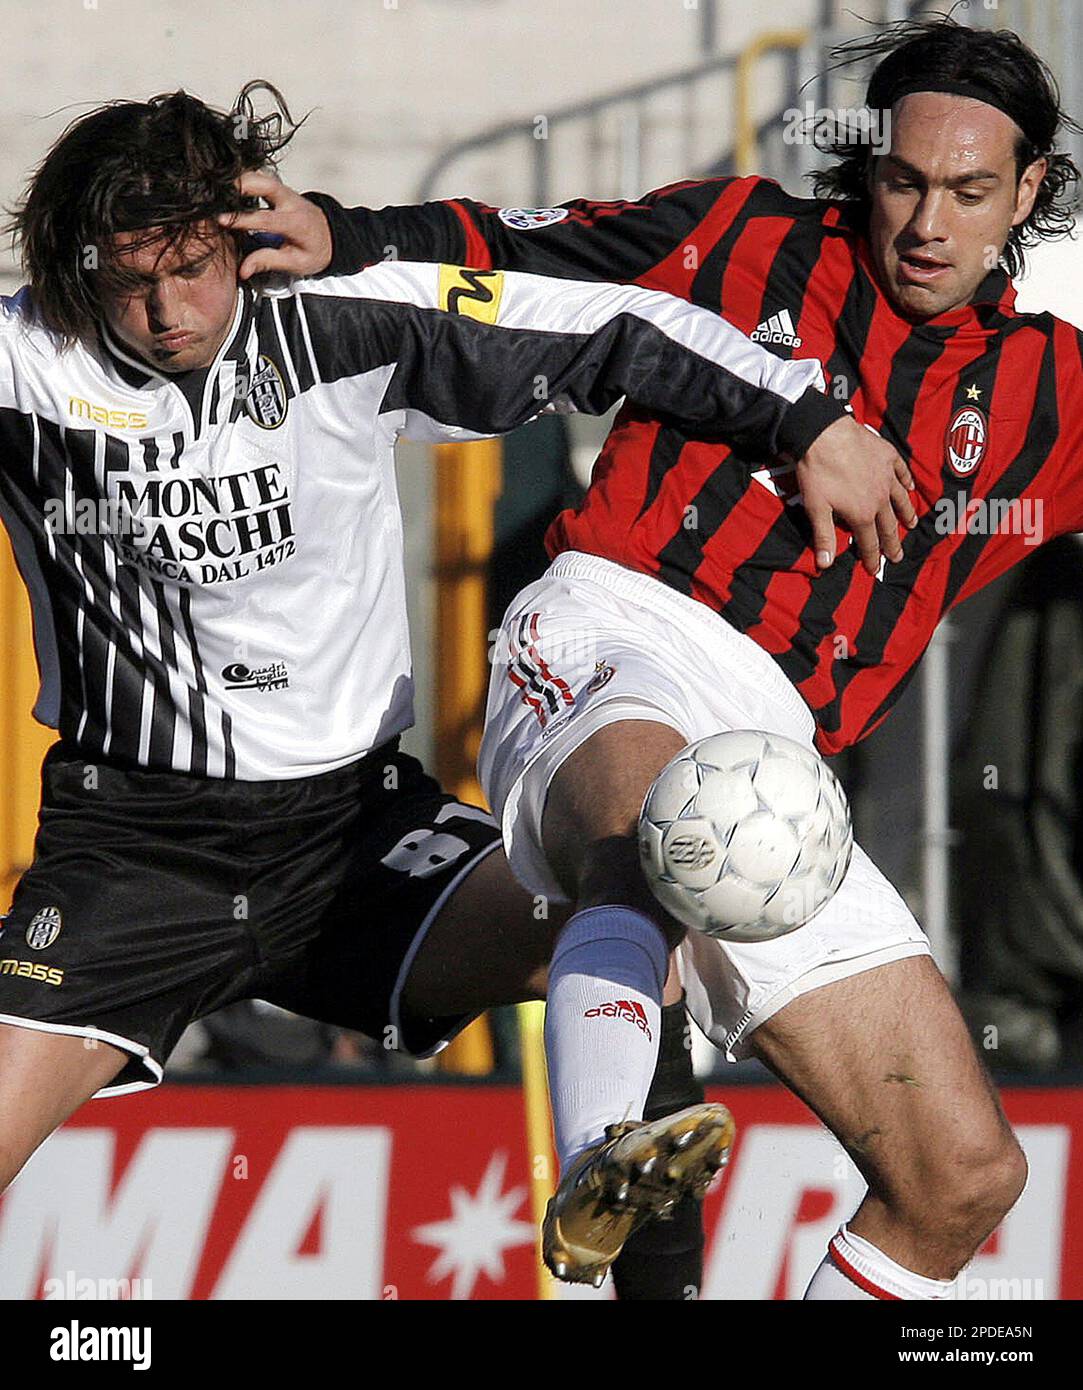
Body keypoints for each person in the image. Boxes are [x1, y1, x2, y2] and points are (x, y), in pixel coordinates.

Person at [0, 82, 905, 1302]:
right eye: (129, 281)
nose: (168, 312)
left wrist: (805, 418)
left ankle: (644, 1259)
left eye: (194, 268)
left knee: (626, 909)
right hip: (135, 855)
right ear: (79, 269)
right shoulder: (26, 360)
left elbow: (616, 323)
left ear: (239, 231)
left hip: (362, 833)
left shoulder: (346, 316)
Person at [266, 16, 1083, 1294]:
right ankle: (605, 1155)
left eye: (971, 192)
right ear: (867, 168)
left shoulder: (1051, 394)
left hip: (781, 769)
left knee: (962, 1178)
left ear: (1029, 192)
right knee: (657, 825)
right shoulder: (745, 237)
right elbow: (534, 255)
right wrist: (346, 231)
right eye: (904, 181)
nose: (928, 221)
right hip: (613, 627)